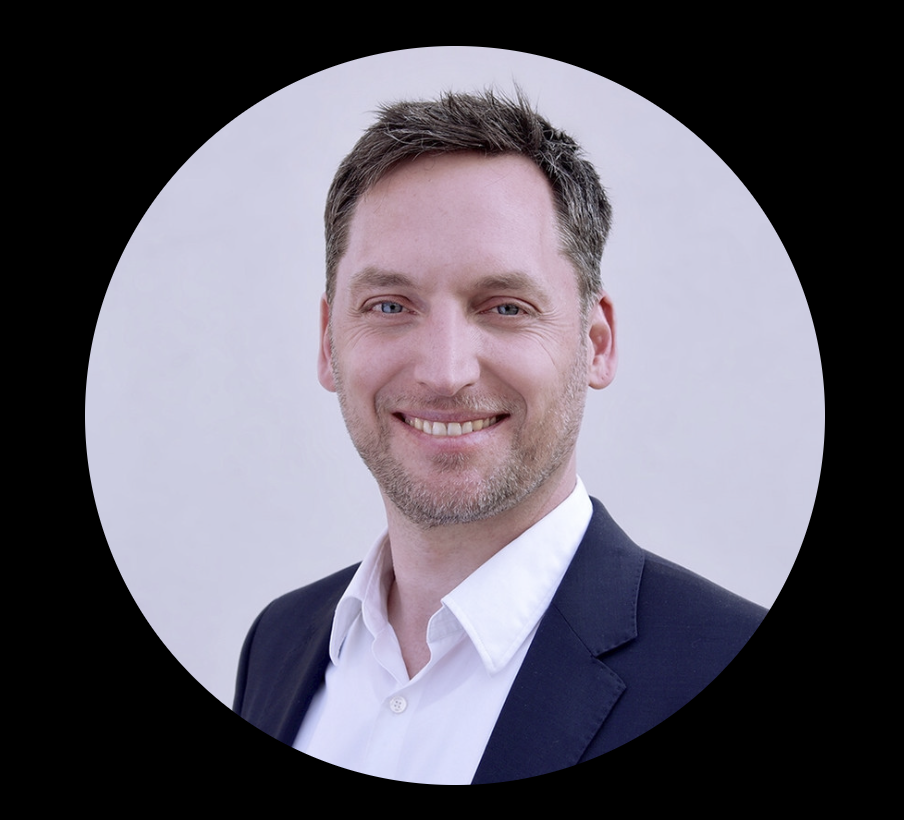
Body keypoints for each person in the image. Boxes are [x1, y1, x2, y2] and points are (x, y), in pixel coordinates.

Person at [232, 89, 767, 784]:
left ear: (597, 343)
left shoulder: (718, 661)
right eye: (389, 305)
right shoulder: (277, 643)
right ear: (328, 342)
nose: (445, 371)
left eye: (505, 307)